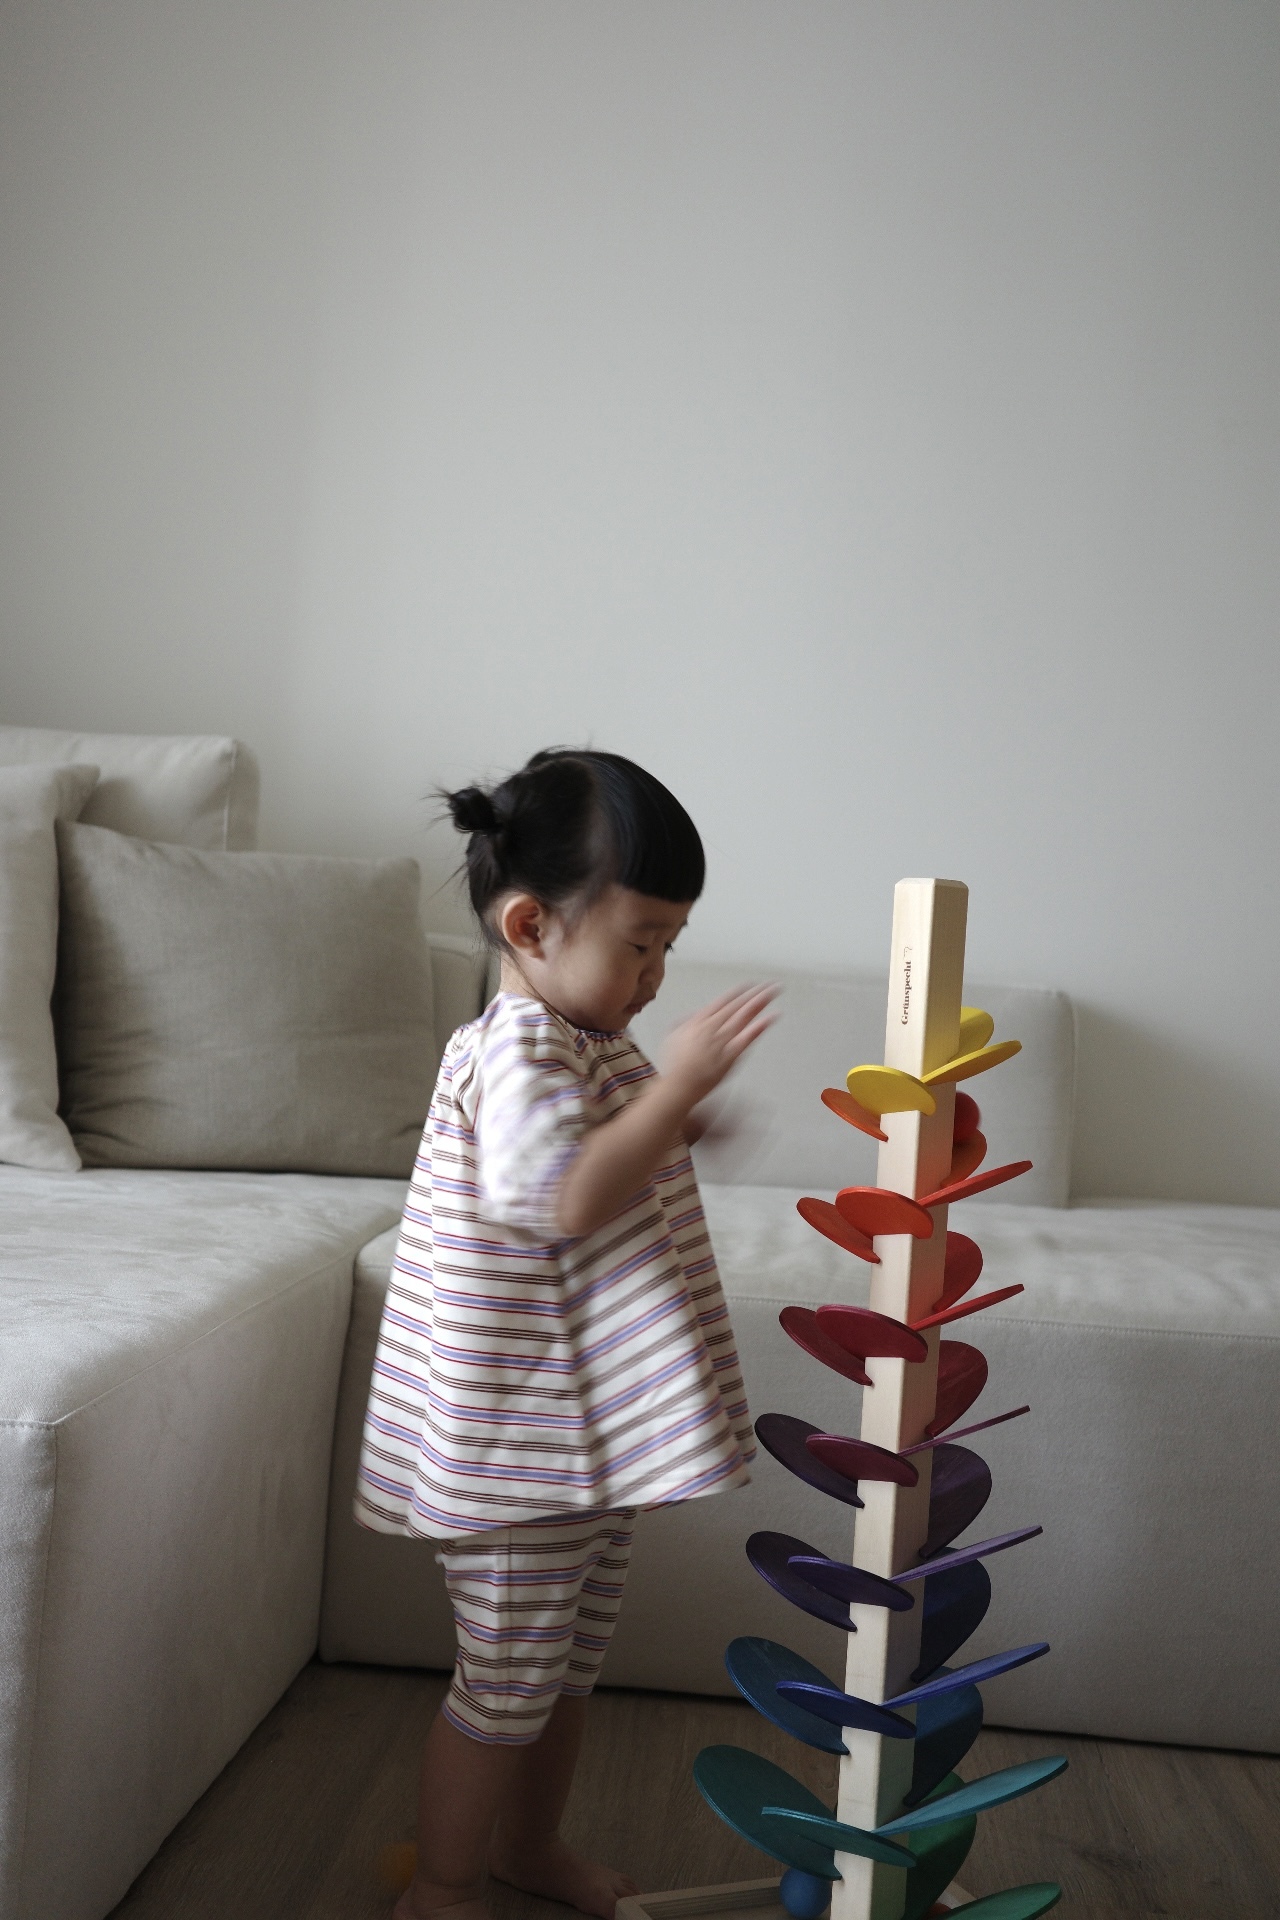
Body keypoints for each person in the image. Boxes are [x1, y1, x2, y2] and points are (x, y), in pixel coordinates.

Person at [355, 748, 775, 1920]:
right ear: (531, 926)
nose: (654, 974)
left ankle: (527, 1850)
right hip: (515, 1460)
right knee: (503, 1685)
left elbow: (608, 1156)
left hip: (575, 1452)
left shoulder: (584, 1040)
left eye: (669, 946)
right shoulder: (518, 1047)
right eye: (639, 942)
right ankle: (442, 1887)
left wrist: (674, 1114)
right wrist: (671, 1088)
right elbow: (564, 1197)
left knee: (560, 1675)